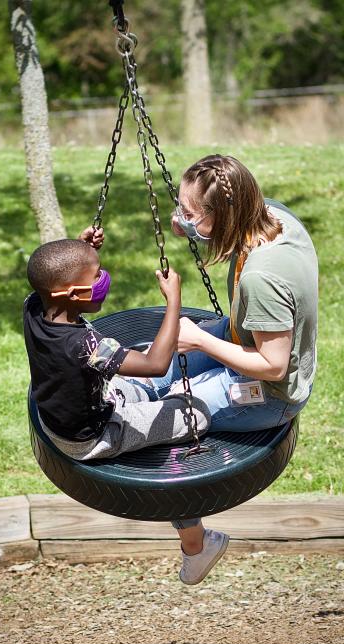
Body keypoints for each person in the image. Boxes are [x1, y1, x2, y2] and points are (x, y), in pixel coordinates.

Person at [134, 153, 318, 585]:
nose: (182, 218)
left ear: (221, 215)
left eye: (191, 212)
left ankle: (198, 543)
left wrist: (200, 340)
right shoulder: (272, 214)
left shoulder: (262, 278)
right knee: (147, 369)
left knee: (155, 426)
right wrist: (187, 223)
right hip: (240, 334)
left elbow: (272, 366)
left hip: (268, 394)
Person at [23, 237, 229, 584]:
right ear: (71, 294)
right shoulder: (86, 347)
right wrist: (173, 300)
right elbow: (154, 363)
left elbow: (56, 272)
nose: (103, 277)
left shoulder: (33, 306)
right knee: (196, 412)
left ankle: (166, 395)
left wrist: (82, 246)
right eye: (96, 276)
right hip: (96, 437)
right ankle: (197, 547)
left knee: (152, 382)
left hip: (87, 404)